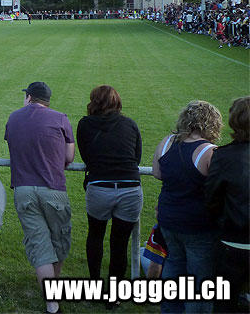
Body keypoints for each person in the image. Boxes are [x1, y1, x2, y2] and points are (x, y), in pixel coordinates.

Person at [5, 81, 74, 314]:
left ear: (29, 97)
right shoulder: (60, 118)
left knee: (40, 245)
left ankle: (51, 303)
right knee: (59, 242)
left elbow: (13, 145)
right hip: (53, 188)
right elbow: (69, 156)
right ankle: (53, 294)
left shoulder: (14, 118)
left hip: (23, 189)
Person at [152, 100, 223, 314]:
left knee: (173, 267)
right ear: (212, 123)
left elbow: (157, 173)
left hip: (168, 220)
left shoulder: (166, 142)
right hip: (198, 226)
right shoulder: (210, 151)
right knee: (200, 280)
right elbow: (219, 189)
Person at [76, 85, 143, 286]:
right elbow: (136, 157)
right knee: (120, 244)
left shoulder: (85, 124)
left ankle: (95, 286)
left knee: (95, 236)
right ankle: (115, 294)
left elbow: (86, 156)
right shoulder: (130, 124)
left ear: (93, 102)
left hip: (99, 186)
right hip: (130, 188)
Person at [205, 96, 249, 313]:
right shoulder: (224, 155)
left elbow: (211, 199)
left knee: (224, 306)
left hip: (231, 243)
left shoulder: (223, 156)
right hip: (232, 241)